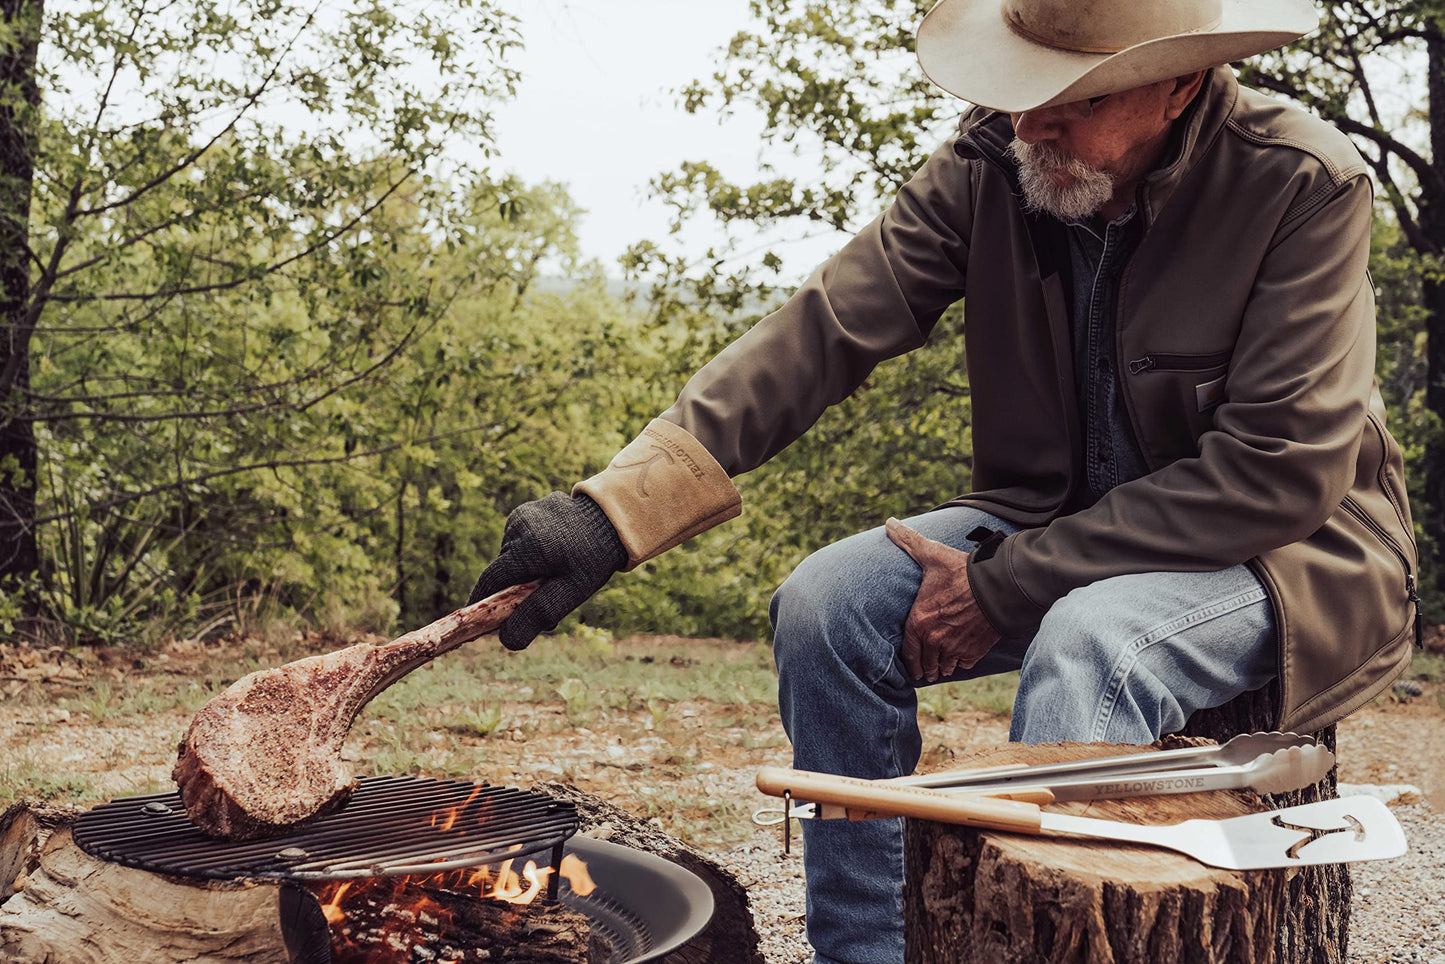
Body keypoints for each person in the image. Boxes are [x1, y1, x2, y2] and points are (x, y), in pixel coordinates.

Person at [471, 0, 1420, 960]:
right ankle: (866, 952)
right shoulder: (990, 165)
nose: (1028, 123)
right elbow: (824, 329)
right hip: (1058, 519)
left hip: (1283, 554)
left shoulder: (1302, 182)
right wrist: (615, 509)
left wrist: (1006, 582)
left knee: (1093, 643)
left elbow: (1276, 473)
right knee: (824, 605)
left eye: (1069, 100)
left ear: (1176, 88)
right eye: (1021, 91)